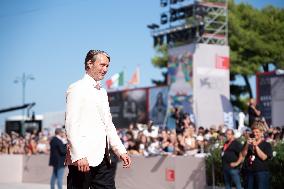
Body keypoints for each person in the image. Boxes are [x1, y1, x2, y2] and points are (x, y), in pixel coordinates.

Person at [65, 50, 131, 189]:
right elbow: (71, 125)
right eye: (102, 65)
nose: (105, 69)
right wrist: (79, 155)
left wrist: (121, 150)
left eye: (107, 66)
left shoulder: (102, 92)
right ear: (90, 63)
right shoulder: (76, 88)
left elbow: (108, 124)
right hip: (83, 159)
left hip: (103, 159)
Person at [231, 120, 272, 189]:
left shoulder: (266, 145)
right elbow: (243, 155)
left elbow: (264, 157)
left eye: (257, 132)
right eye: (253, 132)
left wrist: (255, 146)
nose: (255, 134)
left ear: (262, 133)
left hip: (261, 173)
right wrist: (247, 144)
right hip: (249, 172)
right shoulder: (248, 143)